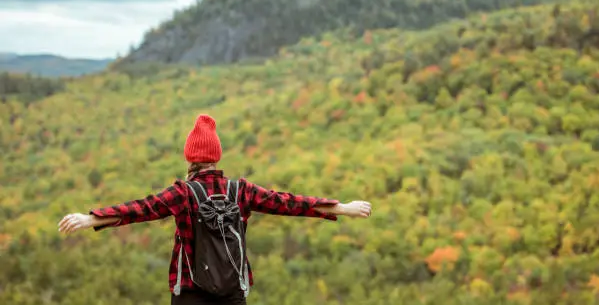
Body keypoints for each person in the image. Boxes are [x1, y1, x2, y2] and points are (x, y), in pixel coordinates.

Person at [58, 114, 372, 305]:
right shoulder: (242, 191)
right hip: (233, 291)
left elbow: (140, 209)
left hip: (190, 292)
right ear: (216, 157)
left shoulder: (182, 193)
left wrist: (90, 218)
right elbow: (288, 203)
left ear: (190, 159)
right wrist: (342, 208)